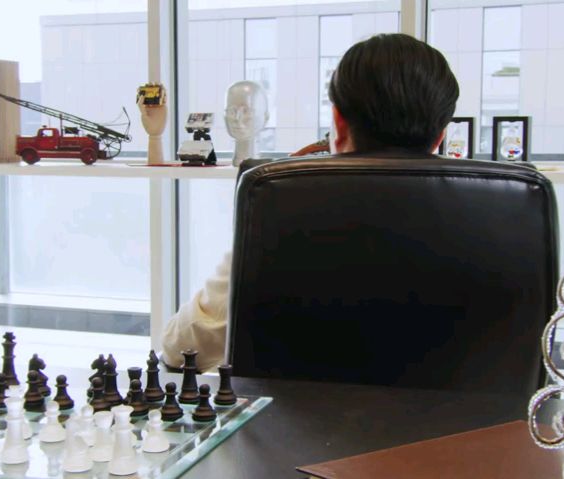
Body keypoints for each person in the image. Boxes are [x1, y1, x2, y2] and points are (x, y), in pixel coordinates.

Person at [162, 33, 460, 371]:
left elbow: (181, 348)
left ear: (338, 124)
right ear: (440, 136)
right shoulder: (497, 217)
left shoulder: (280, 205)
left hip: (292, 408)